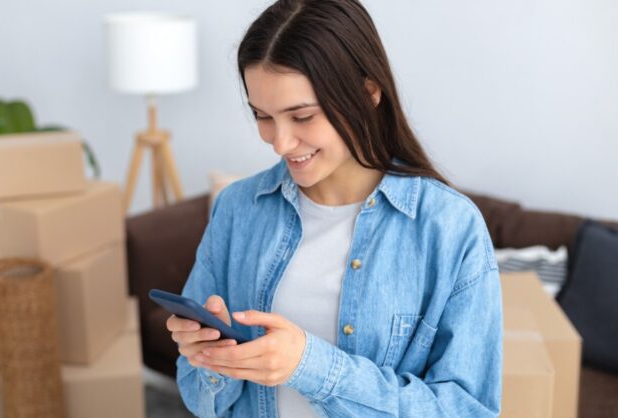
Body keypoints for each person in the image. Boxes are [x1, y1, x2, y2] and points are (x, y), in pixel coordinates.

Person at [165, 0, 503, 416]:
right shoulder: (238, 209)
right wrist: (210, 360)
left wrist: (310, 366)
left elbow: (468, 409)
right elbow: (199, 397)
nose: (280, 142)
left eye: (302, 116)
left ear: (368, 93)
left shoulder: (449, 228)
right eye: (263, 116)